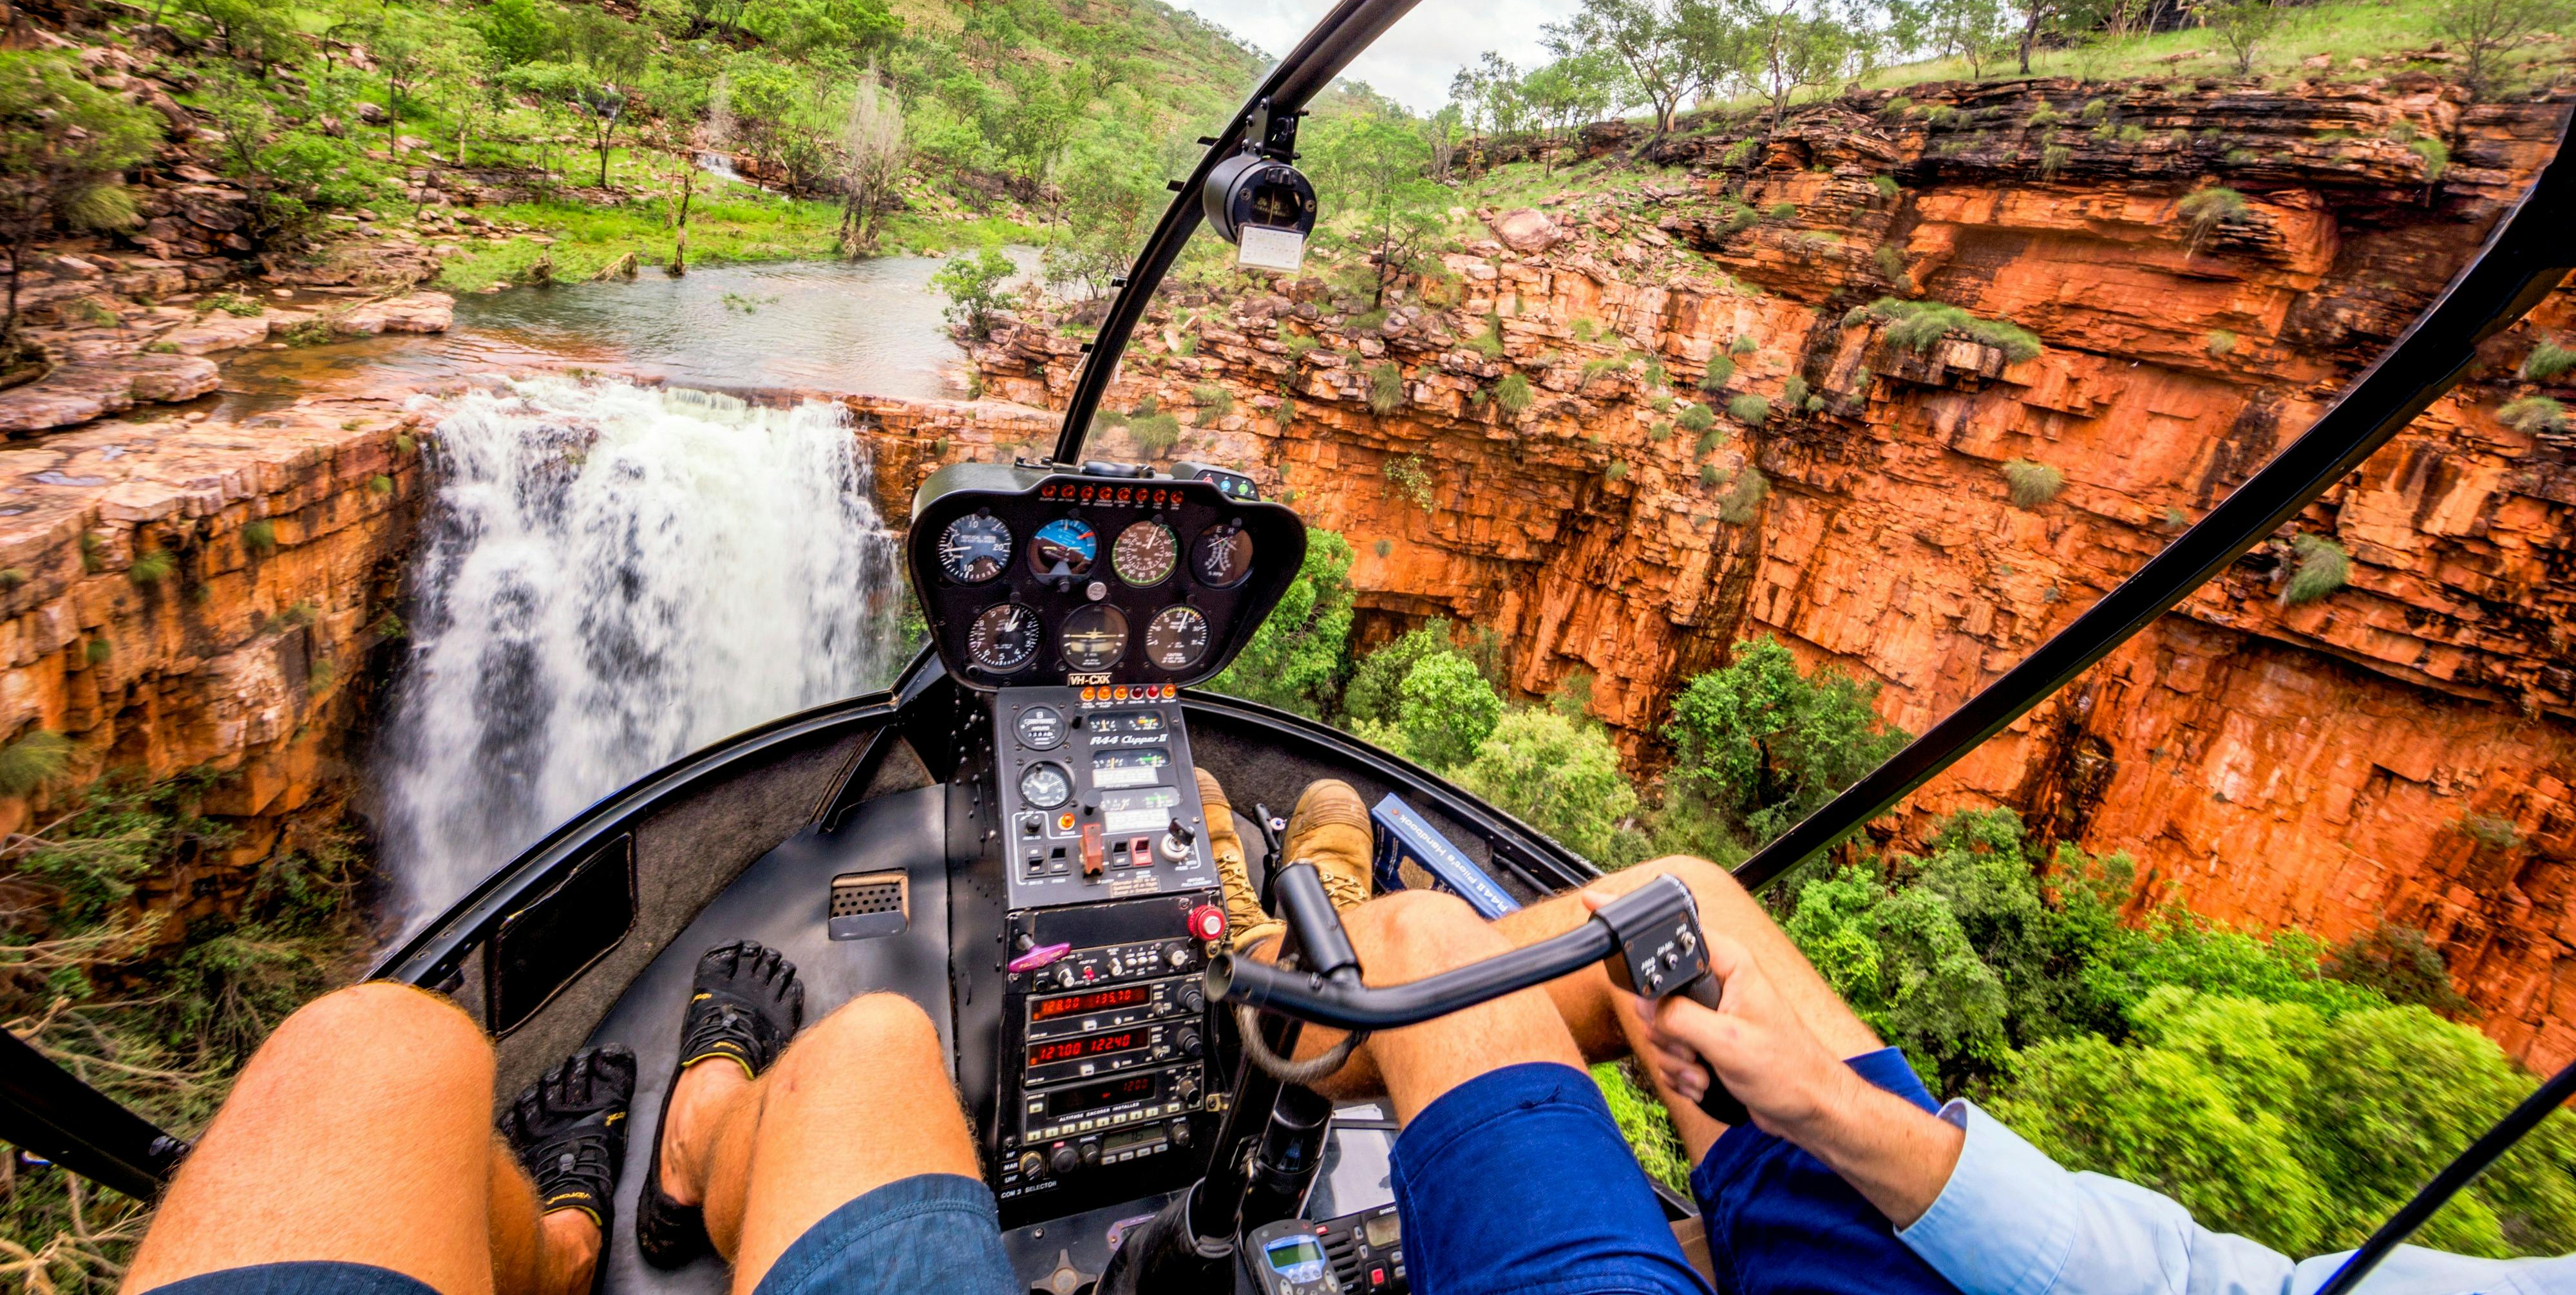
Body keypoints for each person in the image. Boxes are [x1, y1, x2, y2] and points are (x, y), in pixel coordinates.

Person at [124, 771, 2573, 1295]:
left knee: (367, 1053)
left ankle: (661, 1166)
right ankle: (1308, 927)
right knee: (1673, 913)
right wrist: (1844, 1117)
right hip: (1964, 1257)